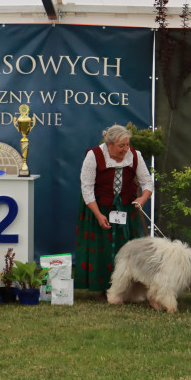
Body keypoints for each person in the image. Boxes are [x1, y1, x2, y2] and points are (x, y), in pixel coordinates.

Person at [75, 124, 154, 294]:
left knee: (126, 247)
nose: (126, 149)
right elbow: (86, 188)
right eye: (121, 146)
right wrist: (98, 214)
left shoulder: (134, 155)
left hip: (125, 207)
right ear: (109, 144)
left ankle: (127, 288)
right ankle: (102, 287)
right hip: (98, 206)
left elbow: (147, 182)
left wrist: (143, 198)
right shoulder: (94, 155)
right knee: (101, 247)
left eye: (127, 144)